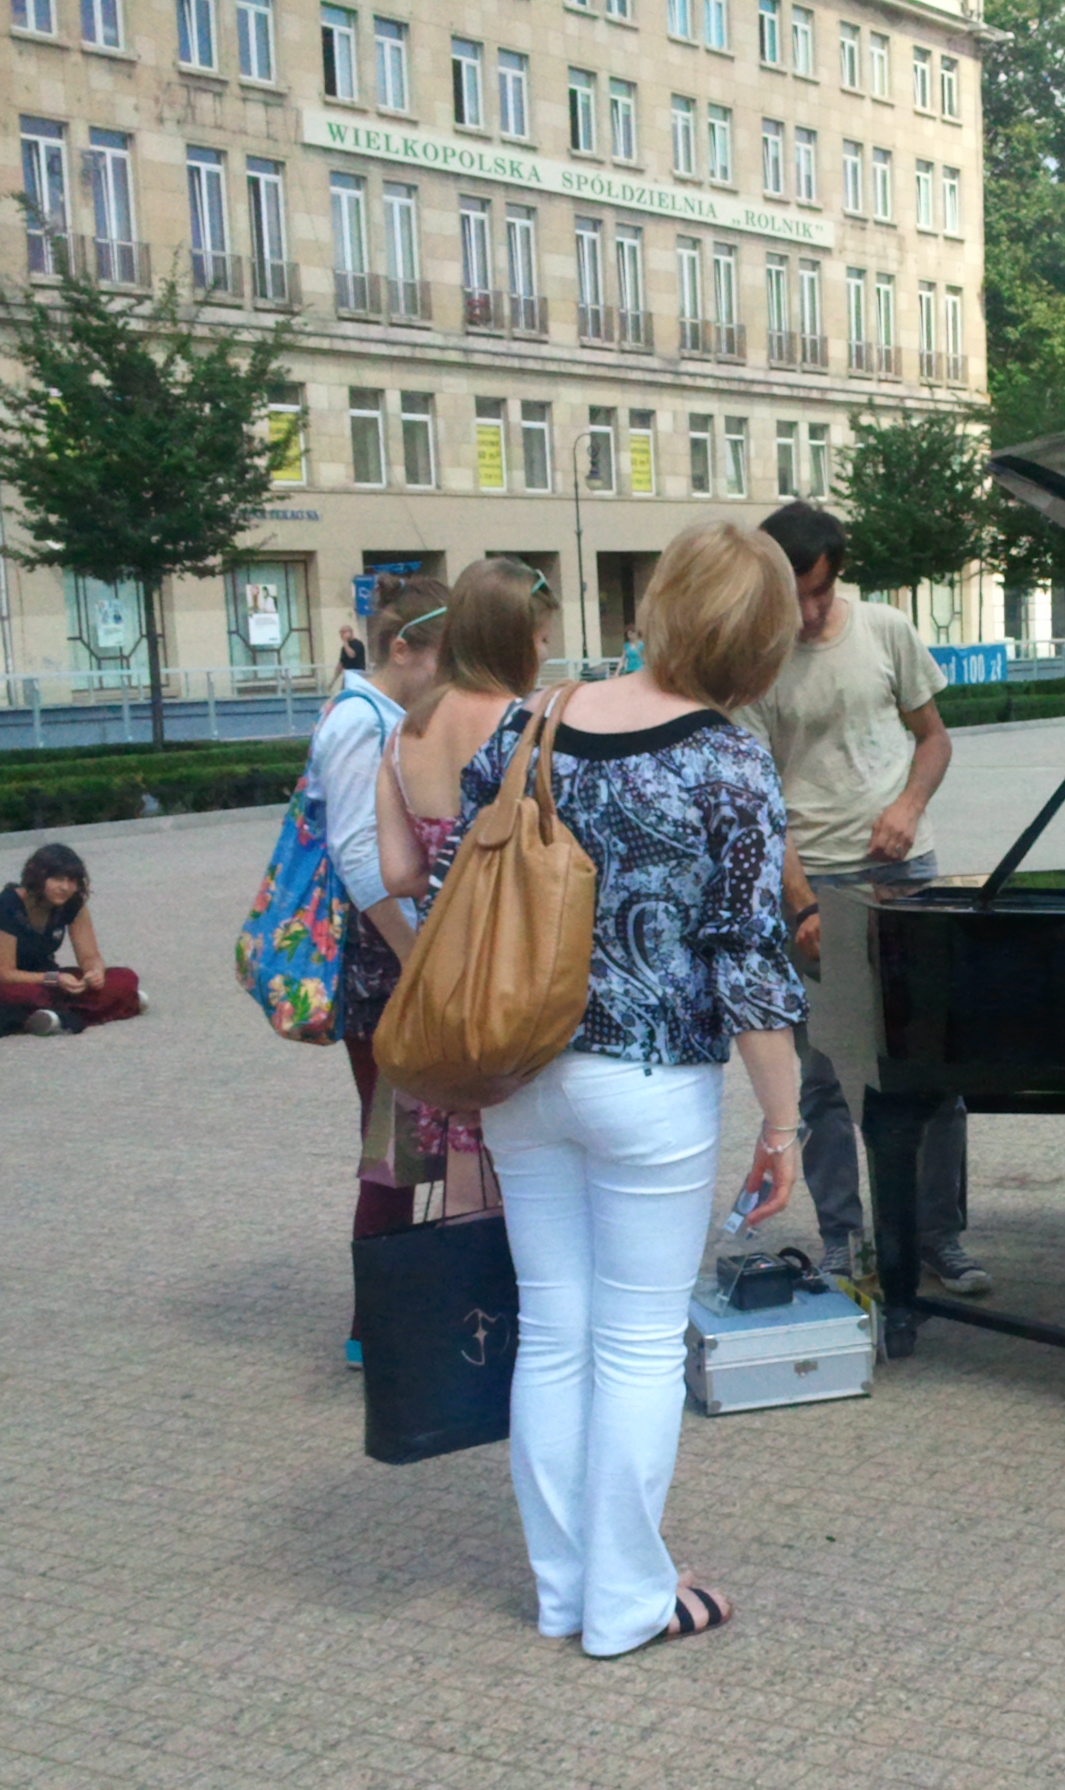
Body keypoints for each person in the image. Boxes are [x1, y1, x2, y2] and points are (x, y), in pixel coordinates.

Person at [429, 519, 807, 1656]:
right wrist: (782, 1123)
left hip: (519, 1069)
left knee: (553, 1332)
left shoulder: (529, 720)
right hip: (646, 1080)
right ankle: (627, 1603)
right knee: (639, 1345)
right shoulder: (727, 759)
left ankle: (565, 1591)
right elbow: (749, 961)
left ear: (661, 604)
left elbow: (456, 884)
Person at [741, 501, 988, 1297]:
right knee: (821, 1080)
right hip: (815, 888)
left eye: (817, 593)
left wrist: (908, 809)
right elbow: (761, 800)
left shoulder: (885, 631)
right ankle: (844, 1241)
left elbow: (935, 737)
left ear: (834, 575)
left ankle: (936, 1237)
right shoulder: (756, 663)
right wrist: (803, 902)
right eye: (793, 597)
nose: (808, 614)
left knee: (934, 1068)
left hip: (908, 875)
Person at [372, 557, 554, 1209]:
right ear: (509, 638)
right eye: (538, 641)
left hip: (444, 984)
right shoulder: (529, 727)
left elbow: (396, 873)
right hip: (520, 980)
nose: (541, 655)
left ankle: (463, 1307)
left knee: (462, 1169)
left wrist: (444, 869)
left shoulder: (404, 732)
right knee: (533, 1176)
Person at [311, 572, 449, 1366]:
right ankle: (376, 1326)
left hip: (391, 967)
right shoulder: (363, 722)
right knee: (394, 1149)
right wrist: (414, 957)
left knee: (403, 1145)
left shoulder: (376, 714)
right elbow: (360, 858)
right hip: (384, 971)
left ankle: (392, 1317)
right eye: (442, 660)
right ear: (403, 648)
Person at [0, 843, 144, 1037]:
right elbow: (3, 973)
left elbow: (89, 955)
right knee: (30, 996)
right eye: (57, 879)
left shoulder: (73, 905)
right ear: (38, 878)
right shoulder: (5, 907)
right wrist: (54, 979)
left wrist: (95, 972)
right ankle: (104, 1007)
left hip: (48, 979)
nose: (65, 888)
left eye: (72, 881)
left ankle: (52, 1017)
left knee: (125, 978)